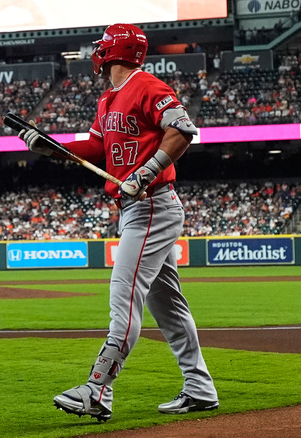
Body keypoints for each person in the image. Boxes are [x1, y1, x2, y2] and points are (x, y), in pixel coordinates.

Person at [19, 23, 218, 422]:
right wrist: (53, 148)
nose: (97, 53)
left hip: (150, 204)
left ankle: (97, 389)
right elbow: (96, 148)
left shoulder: (148, 86)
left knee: (124, 297)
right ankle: (199, 389)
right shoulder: (109, 97)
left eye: (101, 47)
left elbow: (183, 130)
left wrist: (146, 173)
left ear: (112, 51)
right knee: (169, 308)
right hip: (137, 208)